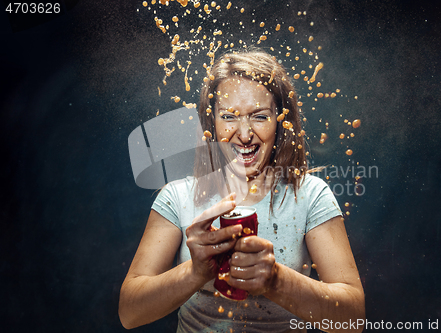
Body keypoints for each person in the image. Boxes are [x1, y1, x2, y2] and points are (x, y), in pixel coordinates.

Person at [119, 49, 365, 332]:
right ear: (211, 123)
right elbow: (129, 312)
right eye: (229, 117)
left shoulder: (310, 196)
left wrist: (276, 280)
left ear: (280, 122)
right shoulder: (177, 197)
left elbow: (353, 319)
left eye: (259, 117)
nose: (245, 134)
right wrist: (195, 272)